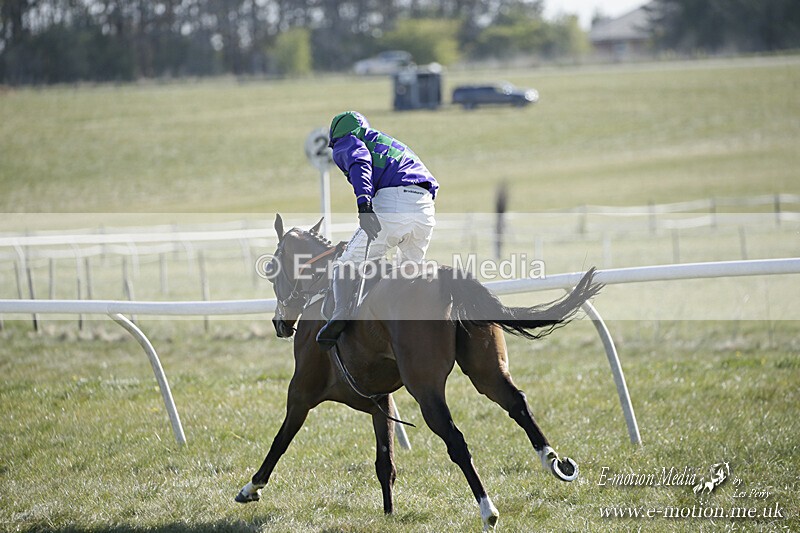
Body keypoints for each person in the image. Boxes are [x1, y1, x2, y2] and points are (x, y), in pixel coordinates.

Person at [316, 111, 439, 349]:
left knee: (345, 264)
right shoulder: (387, 142)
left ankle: (341, 314)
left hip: (393, 204)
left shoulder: (348, 141)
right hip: (425, 209)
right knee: (407, 274)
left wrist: (364, 205)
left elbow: (359, 161)